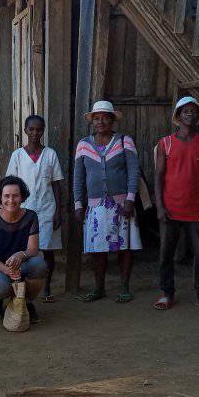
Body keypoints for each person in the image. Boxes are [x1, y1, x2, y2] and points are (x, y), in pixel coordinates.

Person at [153, 96, 199, 313]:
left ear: (198, 116)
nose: (189, 114)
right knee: (166, 253)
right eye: (185, 111)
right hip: (170, 208)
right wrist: (160, 206)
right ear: (178, 116)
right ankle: (167, 293)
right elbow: (159, 176)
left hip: (197, 208)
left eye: (193, 111)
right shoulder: (166, 143)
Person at [72, 100, 142, 303]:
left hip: (122, 204)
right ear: (92, 122)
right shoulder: (84, 145)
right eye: (96, 118)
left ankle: (124, 287)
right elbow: (78, 177)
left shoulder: (124, 141)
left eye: (105, 118)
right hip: (95, 207)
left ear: (112, 120)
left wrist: (130, 199)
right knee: (98, 249)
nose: (100, 121)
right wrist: (78, 204)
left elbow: (133, 172)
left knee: (124, 247)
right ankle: (99, 288)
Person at [5, 115, 65, 302]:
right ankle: (22, 286)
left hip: (47, 208)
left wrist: (58, 211)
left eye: (39, 129)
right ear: (25, 130)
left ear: (43, 131)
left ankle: (46, 288)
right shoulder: (17, 155)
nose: (35, 132)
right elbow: (10, 183)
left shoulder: (50, 154)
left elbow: (57, 184)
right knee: (22, 250)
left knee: (47, 249)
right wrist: (11, 210)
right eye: (31, 129)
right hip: (24, 210)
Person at [0, 176, 47, 324]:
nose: (11, 200)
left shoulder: (31, 216)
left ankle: (25, 301)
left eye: (15, 195)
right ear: (0, 197)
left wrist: (21, 254)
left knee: (39, 265)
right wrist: (7, 270)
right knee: (1, 287)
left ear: (22, 197)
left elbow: (33, 249)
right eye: (7, 196)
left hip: (21, 265)